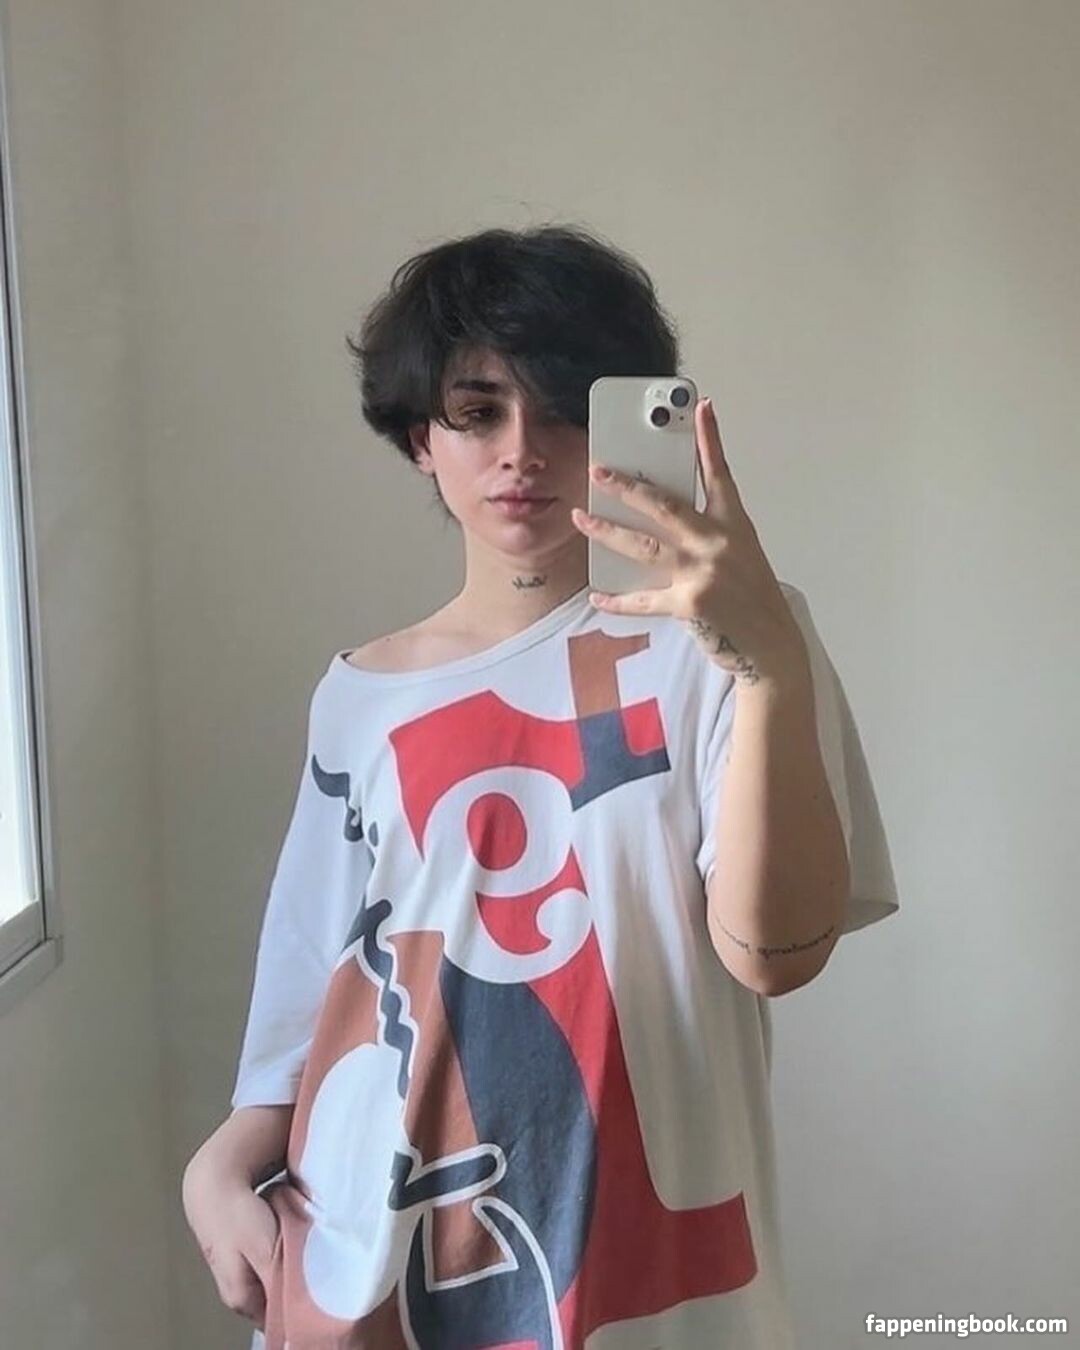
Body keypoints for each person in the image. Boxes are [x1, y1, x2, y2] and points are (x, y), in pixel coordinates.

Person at [182, 223, 899, 1349]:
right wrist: (217, 1169)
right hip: (373, 1259)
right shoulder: (359, 696)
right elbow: (307, 996)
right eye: (478, 412)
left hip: (641, 1278)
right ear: (421, 438)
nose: (522, 450)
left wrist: (765, 663)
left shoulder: (726, 644)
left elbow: (776, 954)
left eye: (563, 409)